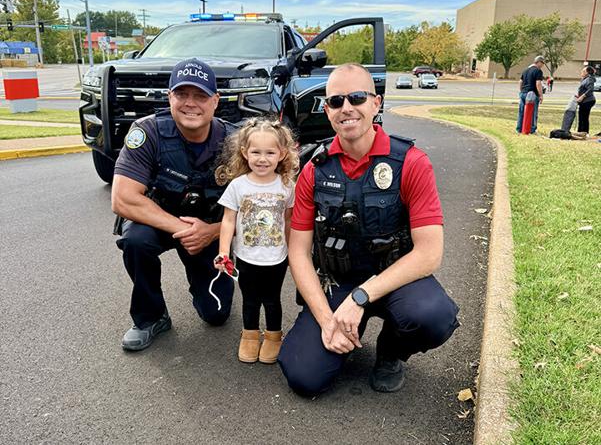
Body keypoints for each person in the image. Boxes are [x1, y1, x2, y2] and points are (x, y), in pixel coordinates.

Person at [277, 63, 459, 396]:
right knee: (304, 376)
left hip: (395, 279)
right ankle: (342, 333)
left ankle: (391, 351)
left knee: (433, 316)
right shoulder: (313, 169)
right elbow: (299, 253)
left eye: (357, 97)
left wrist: (361, 297)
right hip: (338, 280)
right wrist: (326, 320)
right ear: (327, 110)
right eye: (335, 101)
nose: (346, 108)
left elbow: (429, 254)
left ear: (376, 104)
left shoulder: (411, 162)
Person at [112, 58, 238, 351]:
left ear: (216, 101)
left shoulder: (236, 141)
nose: (190, 103)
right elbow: (123, 198)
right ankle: (150, 317)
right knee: (135, 240)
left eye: (201, 96)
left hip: (211, 227)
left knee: (216, 314)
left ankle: (206, 286)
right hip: (160, 221)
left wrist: (212, 231)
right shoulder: (147, 133)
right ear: (170, 97)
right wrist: (185, 229)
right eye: (182, 94)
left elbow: (258, 205)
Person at [214, 118, 298, 364]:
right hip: (246, 257)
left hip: (276, 258)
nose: (263, 159)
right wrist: (224, 252)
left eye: (270, 152)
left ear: (282, 154)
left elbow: (289, 220)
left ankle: (273, 336)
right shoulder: (238, 186)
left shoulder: (286, 186)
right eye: (256, 152)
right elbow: (228, 221)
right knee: (250, 299)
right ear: (244, 152)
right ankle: (250, 335)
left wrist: (294, 252)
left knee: (272, 299)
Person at [516, 55, 545, 134]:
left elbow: (520, 82)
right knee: (533, 112)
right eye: (542, 63)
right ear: (538, 62)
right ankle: (532, 129)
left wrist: (521, 90)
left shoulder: (526, 70)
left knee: (521, 112)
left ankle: (519, 128)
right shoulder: (538, 71)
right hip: (531, 93)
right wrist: (541, 95)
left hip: (523, 93)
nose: (542, 65)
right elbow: (538, 83)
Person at [575, 66, 597, 135]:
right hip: (583, 101)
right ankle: (580, 132)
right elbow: (583, 89)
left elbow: (590, 90)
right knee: (581, 117)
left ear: (587, 73)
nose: (582, 72)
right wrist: (578, 96)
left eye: (583, 71)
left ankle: (585, 133)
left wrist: (582, 97)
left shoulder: (590, 79)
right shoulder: (585, 79)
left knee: (584, 118)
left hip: (588, 101)